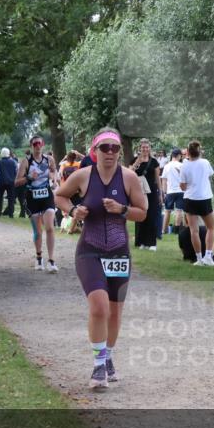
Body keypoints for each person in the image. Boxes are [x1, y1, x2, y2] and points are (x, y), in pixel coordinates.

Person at [54, 129, 148, 390]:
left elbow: (143, 213)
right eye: (104, 148)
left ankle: (108, 357)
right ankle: (98, 366)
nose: (109, 153)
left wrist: (123, 210)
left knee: (115, 312)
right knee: (99, 307)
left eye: (115, 148)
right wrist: (73, 209)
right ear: (94, 151)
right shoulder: (83, 176)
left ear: (120, 152)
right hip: (90, 250)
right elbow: (60, 195)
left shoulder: (129, 178)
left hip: (119, 251)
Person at [15, 136, 59, 272]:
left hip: (46, 196)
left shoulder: (49, 159)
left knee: (50, 227)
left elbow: (54, 170)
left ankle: (51, 261)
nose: (37, 146)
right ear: (31, 145)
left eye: (39, 143)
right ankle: (39, 257)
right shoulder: (26, 162)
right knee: (38, 231)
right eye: (35, 144)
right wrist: (28, 177)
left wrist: (54, 179)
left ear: (43, 145)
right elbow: (16, 182)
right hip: (32, 198)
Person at [180, 140, 214, 266]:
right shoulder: (205, 162)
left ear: (188, 152)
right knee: (211, 228)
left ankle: (199, 259)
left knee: (193, 230)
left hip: (190, 199)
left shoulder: (184, 165)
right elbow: (210, 175)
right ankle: (208, 256)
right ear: (199, 151)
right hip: (204, 198)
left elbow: (183, 187)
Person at [132, 139, 161, 250]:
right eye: (143, 147)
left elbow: (157, 178)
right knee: (140, 215)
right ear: (140, 148)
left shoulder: (154, 162)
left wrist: (160, 193)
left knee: (151, 216)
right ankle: (141, 242)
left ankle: (152, 243)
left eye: (147, 147)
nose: (145, 149)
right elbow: (129, 173)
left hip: (151, 191)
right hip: (139, 191)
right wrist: (136, 163)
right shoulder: (135, 160)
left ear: (149, 148)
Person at [161, 148, 185, 236]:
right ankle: (176, 231)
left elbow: (164, 180)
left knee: (167, 211)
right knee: (179, 211)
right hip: (180, 191)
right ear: (178, 155)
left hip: (170, 191)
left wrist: (164, 192)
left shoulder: (167, 166)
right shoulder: (182, 165)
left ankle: (164, 230)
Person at [0, 148, 18, 217]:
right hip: (11, 182)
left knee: (0, 197)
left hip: (1, 181)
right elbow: (16, 171)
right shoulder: (13, 162)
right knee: (11, 198)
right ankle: (11, 214)